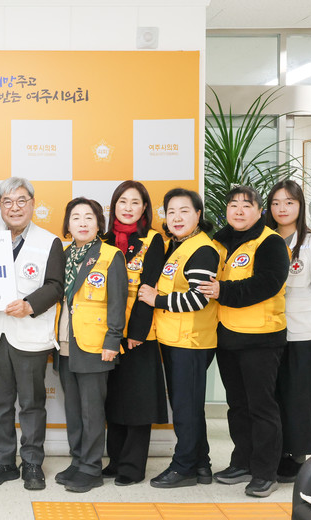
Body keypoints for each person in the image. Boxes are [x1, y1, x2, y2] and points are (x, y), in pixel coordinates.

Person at [0, 177, 64, 491]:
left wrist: (29, 304)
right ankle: (3, 462)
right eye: (7, 201)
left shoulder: (49, 242)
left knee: (32, 403)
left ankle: (33, 463)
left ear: (33, 204)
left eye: (21, 200)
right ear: (0, 206)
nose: (15, 207)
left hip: (30, 335)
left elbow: (55, 286)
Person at [198, 185, 289, 498]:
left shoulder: (270, 242)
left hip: (261, 338)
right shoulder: (219, 241)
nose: (238, 210)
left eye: (247, 205)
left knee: (261, 407)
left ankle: (265, 472)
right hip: (227, 336)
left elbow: (267, 284)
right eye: (233, 204)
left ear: (260, 211)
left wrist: (222, 291)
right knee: (237, 406)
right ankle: (242, 462)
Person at [138, 189, 219, 488]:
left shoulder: (202, 249)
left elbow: (198, 298)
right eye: (171, 212)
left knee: (186, 408)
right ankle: (201, 465)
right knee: (189, 406)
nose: (177, 217)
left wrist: (156, 300)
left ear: (198, 215)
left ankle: (183, 466)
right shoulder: (177, 245)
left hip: (191, 342)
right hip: (175, 339)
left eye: (184, 211)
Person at [54, 197, 127, 492]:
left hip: (95, 344)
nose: (82, 223)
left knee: (91, 410)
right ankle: (78, 461)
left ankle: (92, 468)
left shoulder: (110, 255)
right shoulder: (63, 254)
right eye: (76, 217)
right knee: (73, 409)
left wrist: (113, 339)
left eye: (89, 217)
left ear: (99, 224)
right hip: (65, 341)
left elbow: (118, 301)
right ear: (68, 224)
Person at [266, 180, 311, 482]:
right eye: (276, 203)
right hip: (268, 329)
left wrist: (310, 317)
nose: (282, 208)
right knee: (275, 392)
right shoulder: (264, 240)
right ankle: (277, 450)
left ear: (300, 206)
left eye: (289, 202)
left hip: (302, 331)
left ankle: (298, 453)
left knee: (301, 394)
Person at [101, 181, 168, 486]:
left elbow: (150, 287)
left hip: (138, 333)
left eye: (135, 202)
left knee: (138, 401)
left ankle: (132, 466)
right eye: (122, 202)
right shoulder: (103, 240)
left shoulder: (153, 240)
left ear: (144, 208)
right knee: (114, 398)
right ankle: (115, 460)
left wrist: (137, 331)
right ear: (113, 206)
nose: (128, 208)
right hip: (106, 332)